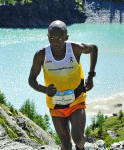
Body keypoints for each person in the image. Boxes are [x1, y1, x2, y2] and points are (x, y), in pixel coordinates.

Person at [28, 20, 98, 150]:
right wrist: (45, 90)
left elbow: (93, 48)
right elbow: (31, 80)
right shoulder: (41, 55)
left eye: (59, 39)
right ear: (48, 37)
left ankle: (81, 146)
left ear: (66, 38)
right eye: (52, 38)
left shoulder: (75, 49)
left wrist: (91, 76)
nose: (55, 42)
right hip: (55, 104)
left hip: (76, 99)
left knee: (77, 138)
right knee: (66, 145)